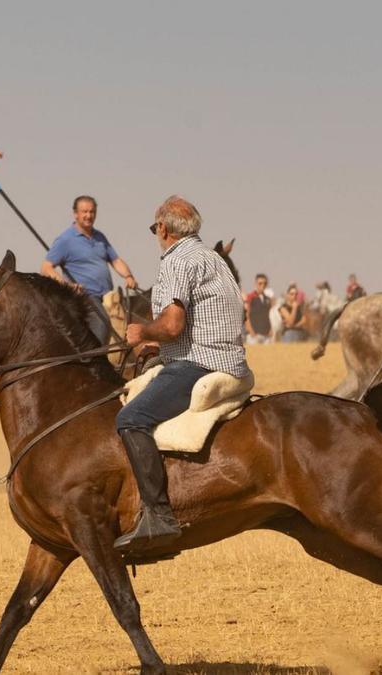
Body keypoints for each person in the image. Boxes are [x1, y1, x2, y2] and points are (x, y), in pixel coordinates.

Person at [114, 195, 249, 553]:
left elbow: (172, 325)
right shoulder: (213, 258)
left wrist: (143, 332)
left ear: (162, 228)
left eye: (153, 228)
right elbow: (203, 321)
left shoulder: (176, 260)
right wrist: (160, 347)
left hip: (199, 364)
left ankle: (159, 516)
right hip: (226, 358)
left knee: (131, 418)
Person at [41, 195, 138, 344]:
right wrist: (66, 285)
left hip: (107, 297)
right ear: (76, 214)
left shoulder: (99, 237)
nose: (88, 215)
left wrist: (128, 276)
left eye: (92, 212)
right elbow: (46, 267)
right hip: (84, 297)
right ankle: (94, 362)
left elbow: (115, 260)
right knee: (101, 322)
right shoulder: (66, 240)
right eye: (84, 211)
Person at [244, 273, 274, 344]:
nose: (262, 285)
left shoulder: (268, 299)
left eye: (265, 283)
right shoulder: (250, 297)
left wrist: (271, 330)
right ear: (255, 284)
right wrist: (251, 332)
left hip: (266, 336)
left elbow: (271, 316)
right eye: (260, 283)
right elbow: (246, 315)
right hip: (254, 335)